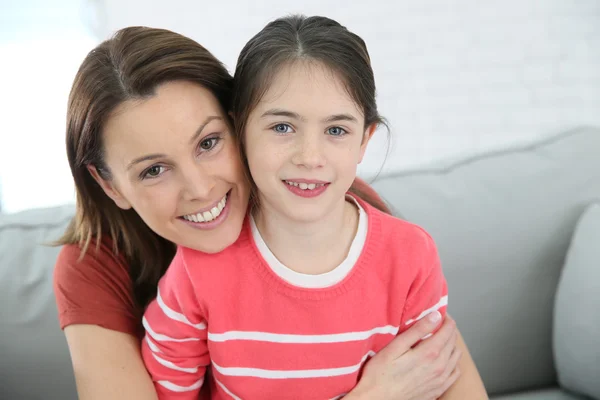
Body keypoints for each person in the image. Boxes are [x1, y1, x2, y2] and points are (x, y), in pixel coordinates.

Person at [53, 25, 476, 400]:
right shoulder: (98, 268)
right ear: (109, 184)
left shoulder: (322, 201)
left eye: (209, 143)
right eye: (154, 170)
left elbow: (436, 364)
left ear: (238, 128)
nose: (200, 190)